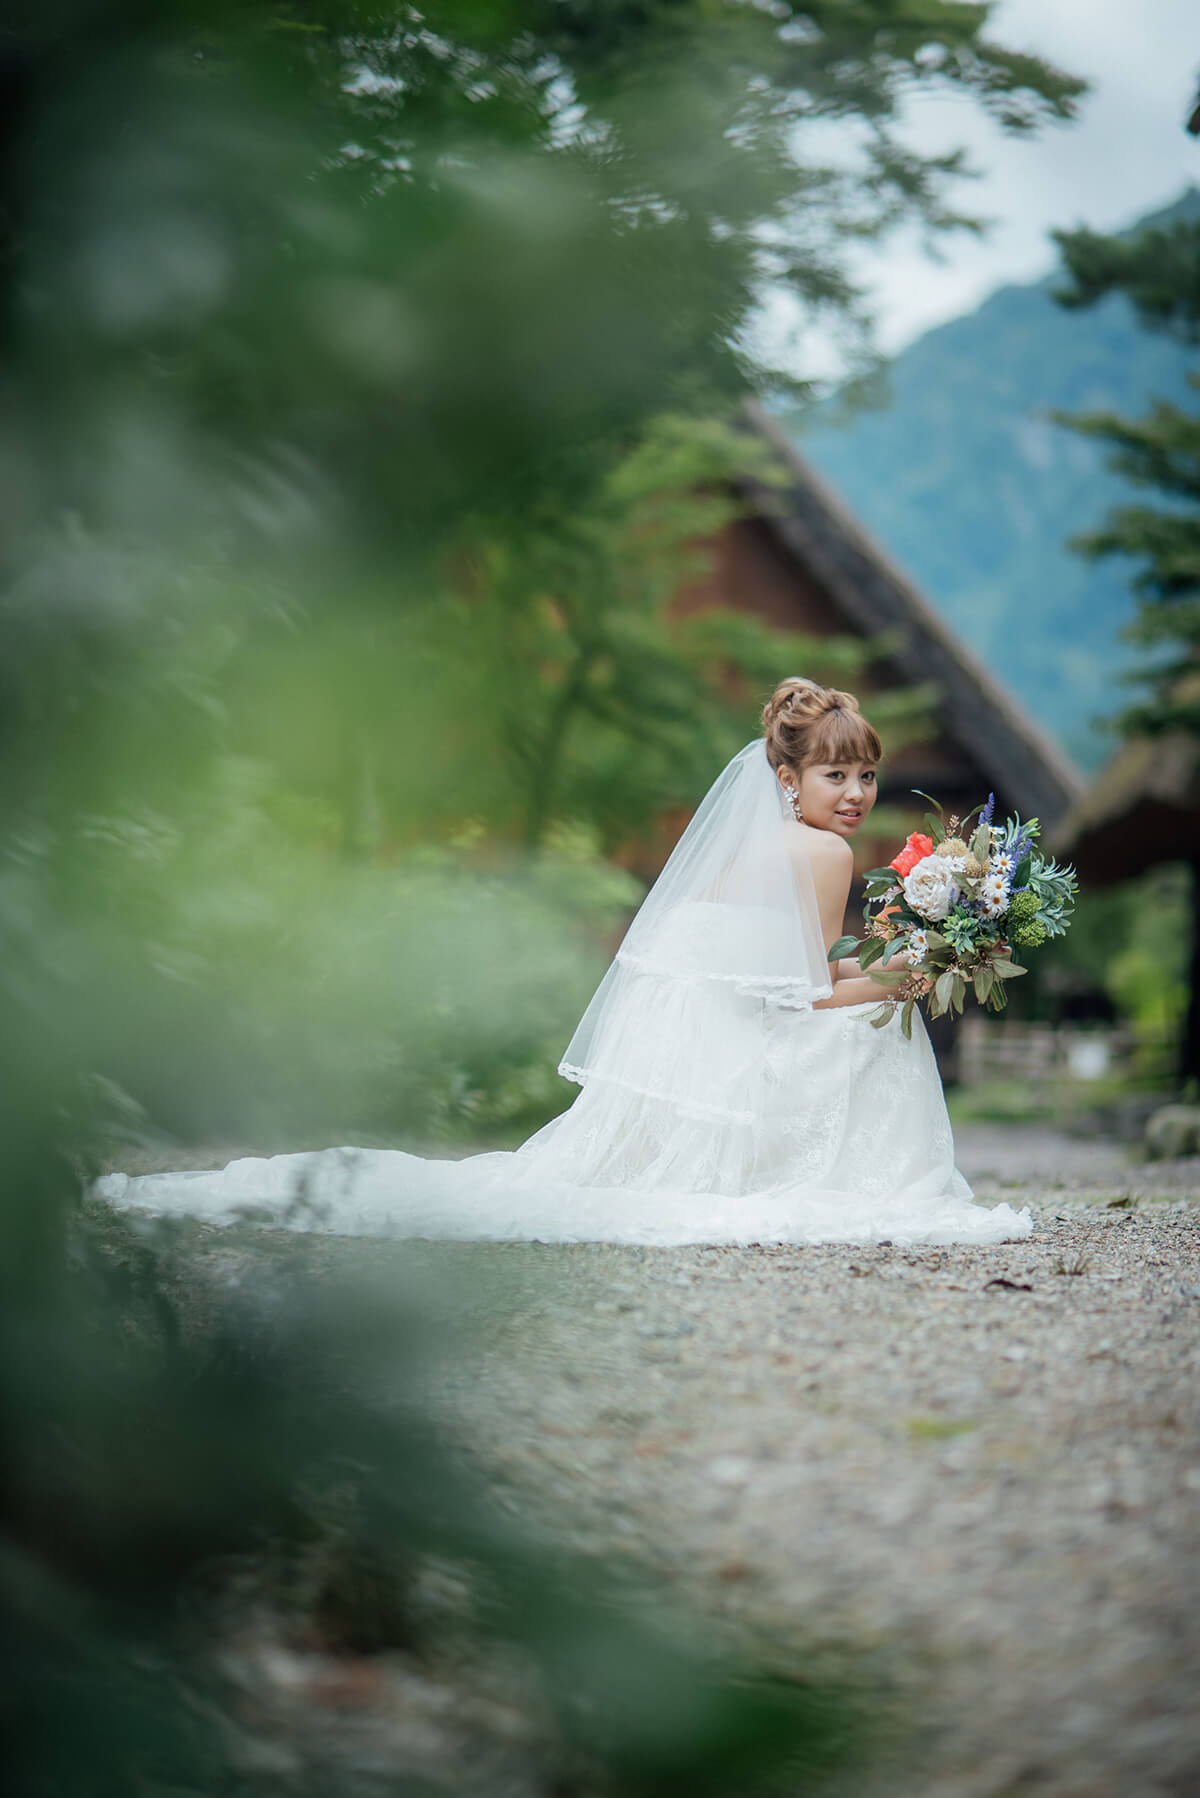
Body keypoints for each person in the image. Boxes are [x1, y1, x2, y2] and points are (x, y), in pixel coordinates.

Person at [95, 678, 1032, 1246]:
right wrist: (910, 972)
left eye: (867, 775)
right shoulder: (825, 855)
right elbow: (816, 992)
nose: (858, 794)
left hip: (693, 1054)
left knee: (880, 1004)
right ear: (788, 780)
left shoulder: (745, 847)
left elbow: (767, 981)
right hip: (738, 1054)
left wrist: (905, 957)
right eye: (837, 775)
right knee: (887, 1023)